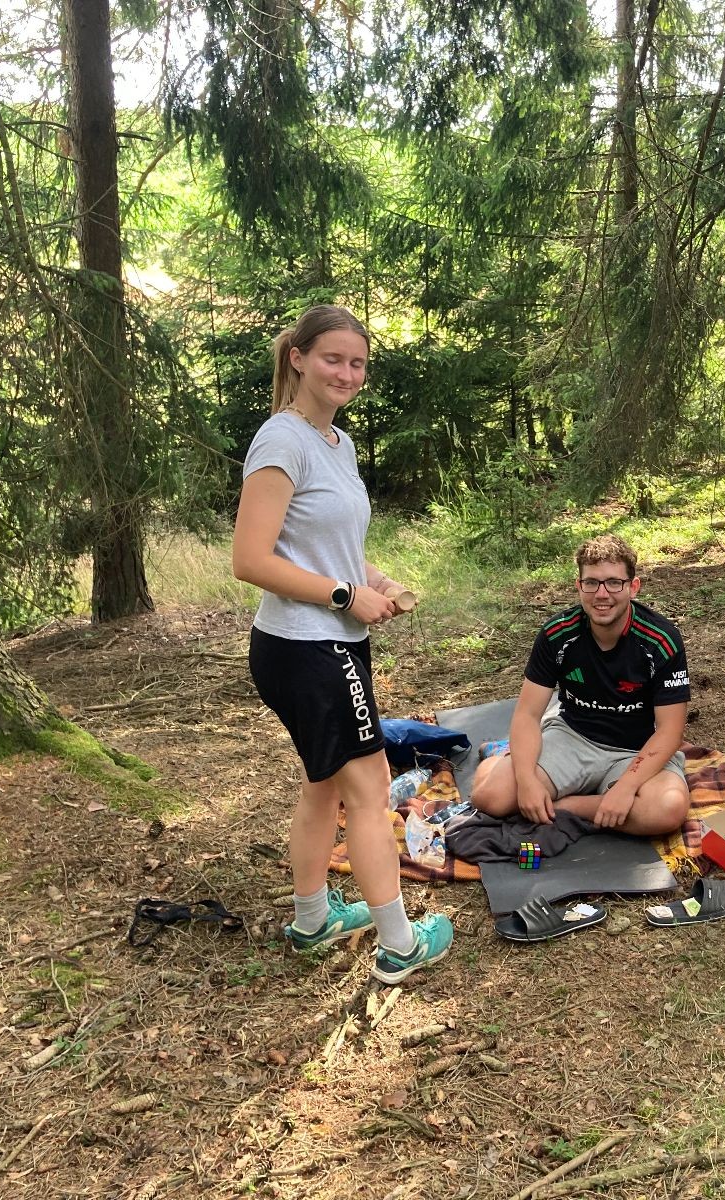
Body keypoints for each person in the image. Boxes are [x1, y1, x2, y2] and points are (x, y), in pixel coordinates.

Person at [232, 304, 453, 984]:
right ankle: (400, 945)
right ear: (298, 358)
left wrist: (372, 580)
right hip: (306, 647)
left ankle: (312, 919)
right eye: (333, 359)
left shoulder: (337, 443)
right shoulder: (282, 440)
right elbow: (250, 559)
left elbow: (329, 547)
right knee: (370, 786)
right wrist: (341, 596)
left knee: (324, 783)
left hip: (330, 642)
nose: (347, 373)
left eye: (357, 363)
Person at [471, 535, 691, 837]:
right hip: (573, 737)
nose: (602, 594)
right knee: (491, 797)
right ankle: (503, 758)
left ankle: (567, 806)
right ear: (579, 586)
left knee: (667, 809)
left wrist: (626, 787)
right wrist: (526, 781)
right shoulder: (557, 634)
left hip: (636, 750)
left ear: (633, 587)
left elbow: (670, 731)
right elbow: (527, 714)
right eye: (591, 583)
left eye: (613, 583)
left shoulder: (661, 640)